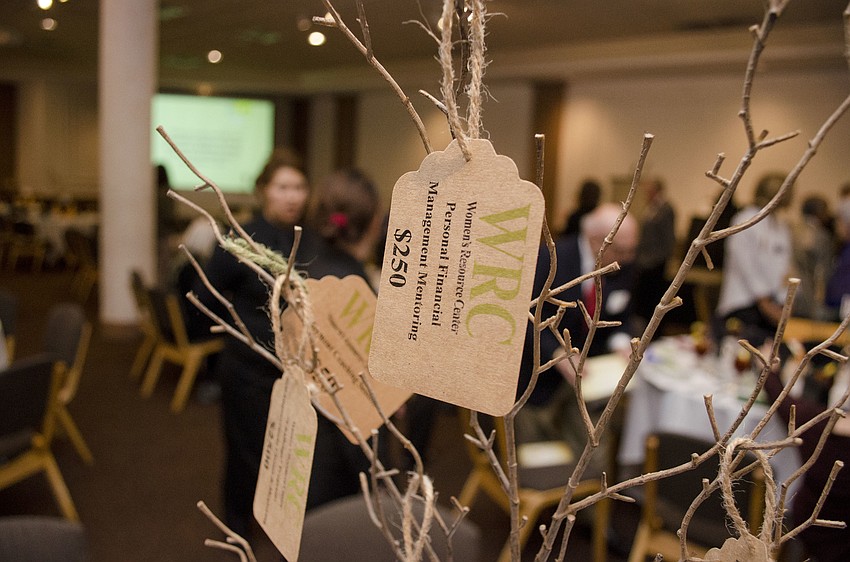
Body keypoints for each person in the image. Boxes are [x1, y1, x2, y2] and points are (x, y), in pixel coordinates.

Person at [194, 148, 325, 537]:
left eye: (299, 187)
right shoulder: (243, 236)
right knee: (245, 453)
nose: (292, 196)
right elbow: (205, 293)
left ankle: (281, 523)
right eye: (283, 187)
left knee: (292, 453)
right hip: (247, 371)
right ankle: (237, 527)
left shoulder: (312, 239)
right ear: (264, 190)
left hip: (298, 372)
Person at [516, 203, 638, 456]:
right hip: (537, 379)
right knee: (536, 455)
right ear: (595, 240)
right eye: (620, 250)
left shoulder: (623, 264)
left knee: (589, 449)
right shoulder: (549, 259)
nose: (626, 259)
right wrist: (558, 354)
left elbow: (623, 316)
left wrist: (621, 342)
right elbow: (522, 318)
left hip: (589, 381)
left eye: (630, 251)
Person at [301, 168, 383, 508]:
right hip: (341, 438)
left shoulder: (305, 260)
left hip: (302, 423)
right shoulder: (351, 287)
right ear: (371, 224)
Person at [715, 172, 793, 345]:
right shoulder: (746, 220)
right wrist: (766, 305)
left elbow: (784, 268)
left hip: (772, 307)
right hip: (743, 305)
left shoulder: (780, 226)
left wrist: (783, 304)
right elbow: (747, 268)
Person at [632, 178, 676, 331]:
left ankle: (654, 331)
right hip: (644, 263)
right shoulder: (651, 208)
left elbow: (668, 240)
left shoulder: (666, 209)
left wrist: (654, 260)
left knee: (653, 299)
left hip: (655, 264)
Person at [791, 195, 833, 319]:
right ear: (819, 212)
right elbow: (822, 271)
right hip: (808, 292)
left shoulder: (791, 230)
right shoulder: (821, 236)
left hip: (787, 290)